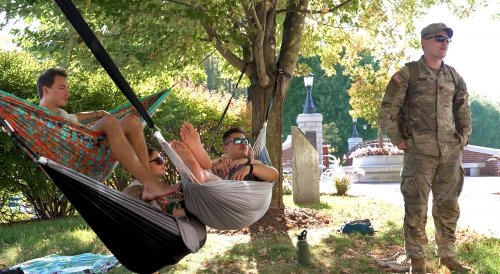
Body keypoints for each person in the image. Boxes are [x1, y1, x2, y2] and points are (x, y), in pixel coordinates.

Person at [378, 23, 471, 273]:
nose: (444, 43)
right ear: (424, 42)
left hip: (449, 154)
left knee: (449, 206)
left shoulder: (453, 76)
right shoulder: (408, 73)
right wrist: (398, 139)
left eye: (448, 40)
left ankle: (448, 256)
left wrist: (462, 139)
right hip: (419, 153)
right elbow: (388, 109)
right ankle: (418, 261)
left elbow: (463, 110)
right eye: (439, 38)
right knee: (416, 208)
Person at [37, 68, 177, 201]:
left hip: (94, 150)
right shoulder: (36, 118)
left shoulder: (61, 114)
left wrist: (99, 112)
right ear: (46, 90)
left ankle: (148, 185)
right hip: (78, 162)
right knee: (109, 121)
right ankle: (149, 183)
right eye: (62, 88)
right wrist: (104, 118)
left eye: (67, 88)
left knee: (132, 120)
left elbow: (77, 116)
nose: (67, 93)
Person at [123, 147, 185, 217]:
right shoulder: (132, 191)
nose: (164, 163)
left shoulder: (159, 190)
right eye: (159, 160)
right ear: (144, 165)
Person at [211, 127, 279, 182]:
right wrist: (213, 165)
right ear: (225, 149)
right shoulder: (219, 164)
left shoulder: (255, 164)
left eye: (245, 141)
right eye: (237, 141)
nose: (243, 143)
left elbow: (275, 175)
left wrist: (250, 168)